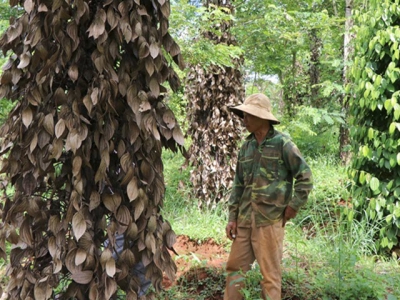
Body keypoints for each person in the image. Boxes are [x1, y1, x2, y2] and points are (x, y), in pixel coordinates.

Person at [224, 93, 313, 300]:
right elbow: (238, 185)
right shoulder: (246, 147)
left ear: (263, 117)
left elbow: (305, 177)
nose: (244, 120)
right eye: (243, 115)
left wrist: (293, 207)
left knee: (270, 276)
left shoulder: (283, 144)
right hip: (245, 220)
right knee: (235, 270)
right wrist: (232, 217)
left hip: (270, 221)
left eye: (249, 115)